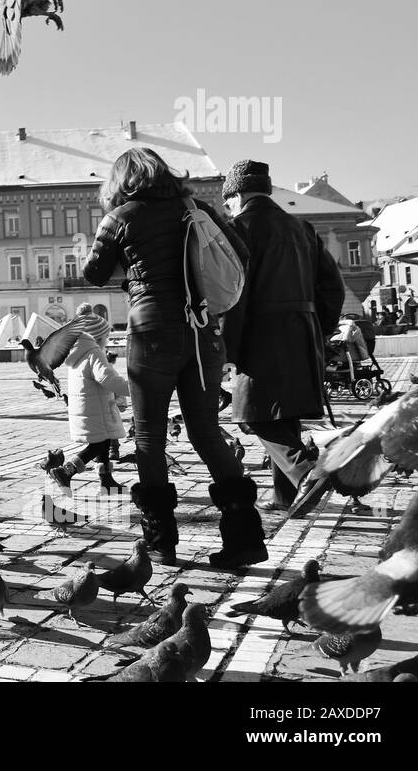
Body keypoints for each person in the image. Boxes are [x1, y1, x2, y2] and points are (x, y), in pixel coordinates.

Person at [82, 147, 263, 569]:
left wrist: (129, 263)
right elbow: (240, 255)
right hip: (202, 335)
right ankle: (245, 538)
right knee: (206, 432)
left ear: (121, 181)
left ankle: (161, 542)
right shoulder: (196, 208)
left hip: (151, 335)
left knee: (149, 436)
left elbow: (93, 273)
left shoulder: (121, 217)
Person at [220, 160, 345, 516]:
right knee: (284, 410)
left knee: (254, 414)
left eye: (228, 201)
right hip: (303, 330)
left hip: (260, 331)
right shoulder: (301, 227)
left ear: (237, 194)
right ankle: (284, 496)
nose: (228, 207)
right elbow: (333, 287)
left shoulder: (239, 228)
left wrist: (226, 351)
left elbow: (234, 295)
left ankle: (306, 472)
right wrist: (318, 328)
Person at [50, 306, 129, 489]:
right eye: (106, 337)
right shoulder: (93, 352)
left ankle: (106, 481)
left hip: (88, 408)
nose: (107, 341)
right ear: (97, 337)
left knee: (103, 441)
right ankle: (66, 471)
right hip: (96, 410)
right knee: (97, 445)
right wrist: (132, 389)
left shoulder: (77, 353)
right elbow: (107, 378)